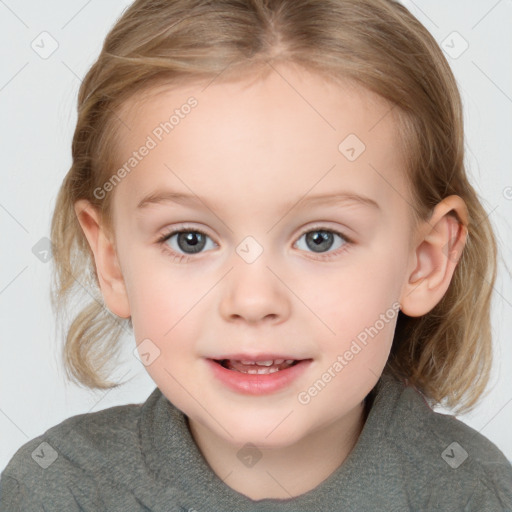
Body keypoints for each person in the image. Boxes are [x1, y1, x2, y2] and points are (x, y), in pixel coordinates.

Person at [1, 0, 511, 510]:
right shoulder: (57, 491)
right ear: (110, 260)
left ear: (424, 261)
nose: (253, 300)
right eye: (190, 239)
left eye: (320, 239)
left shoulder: (472, 494)